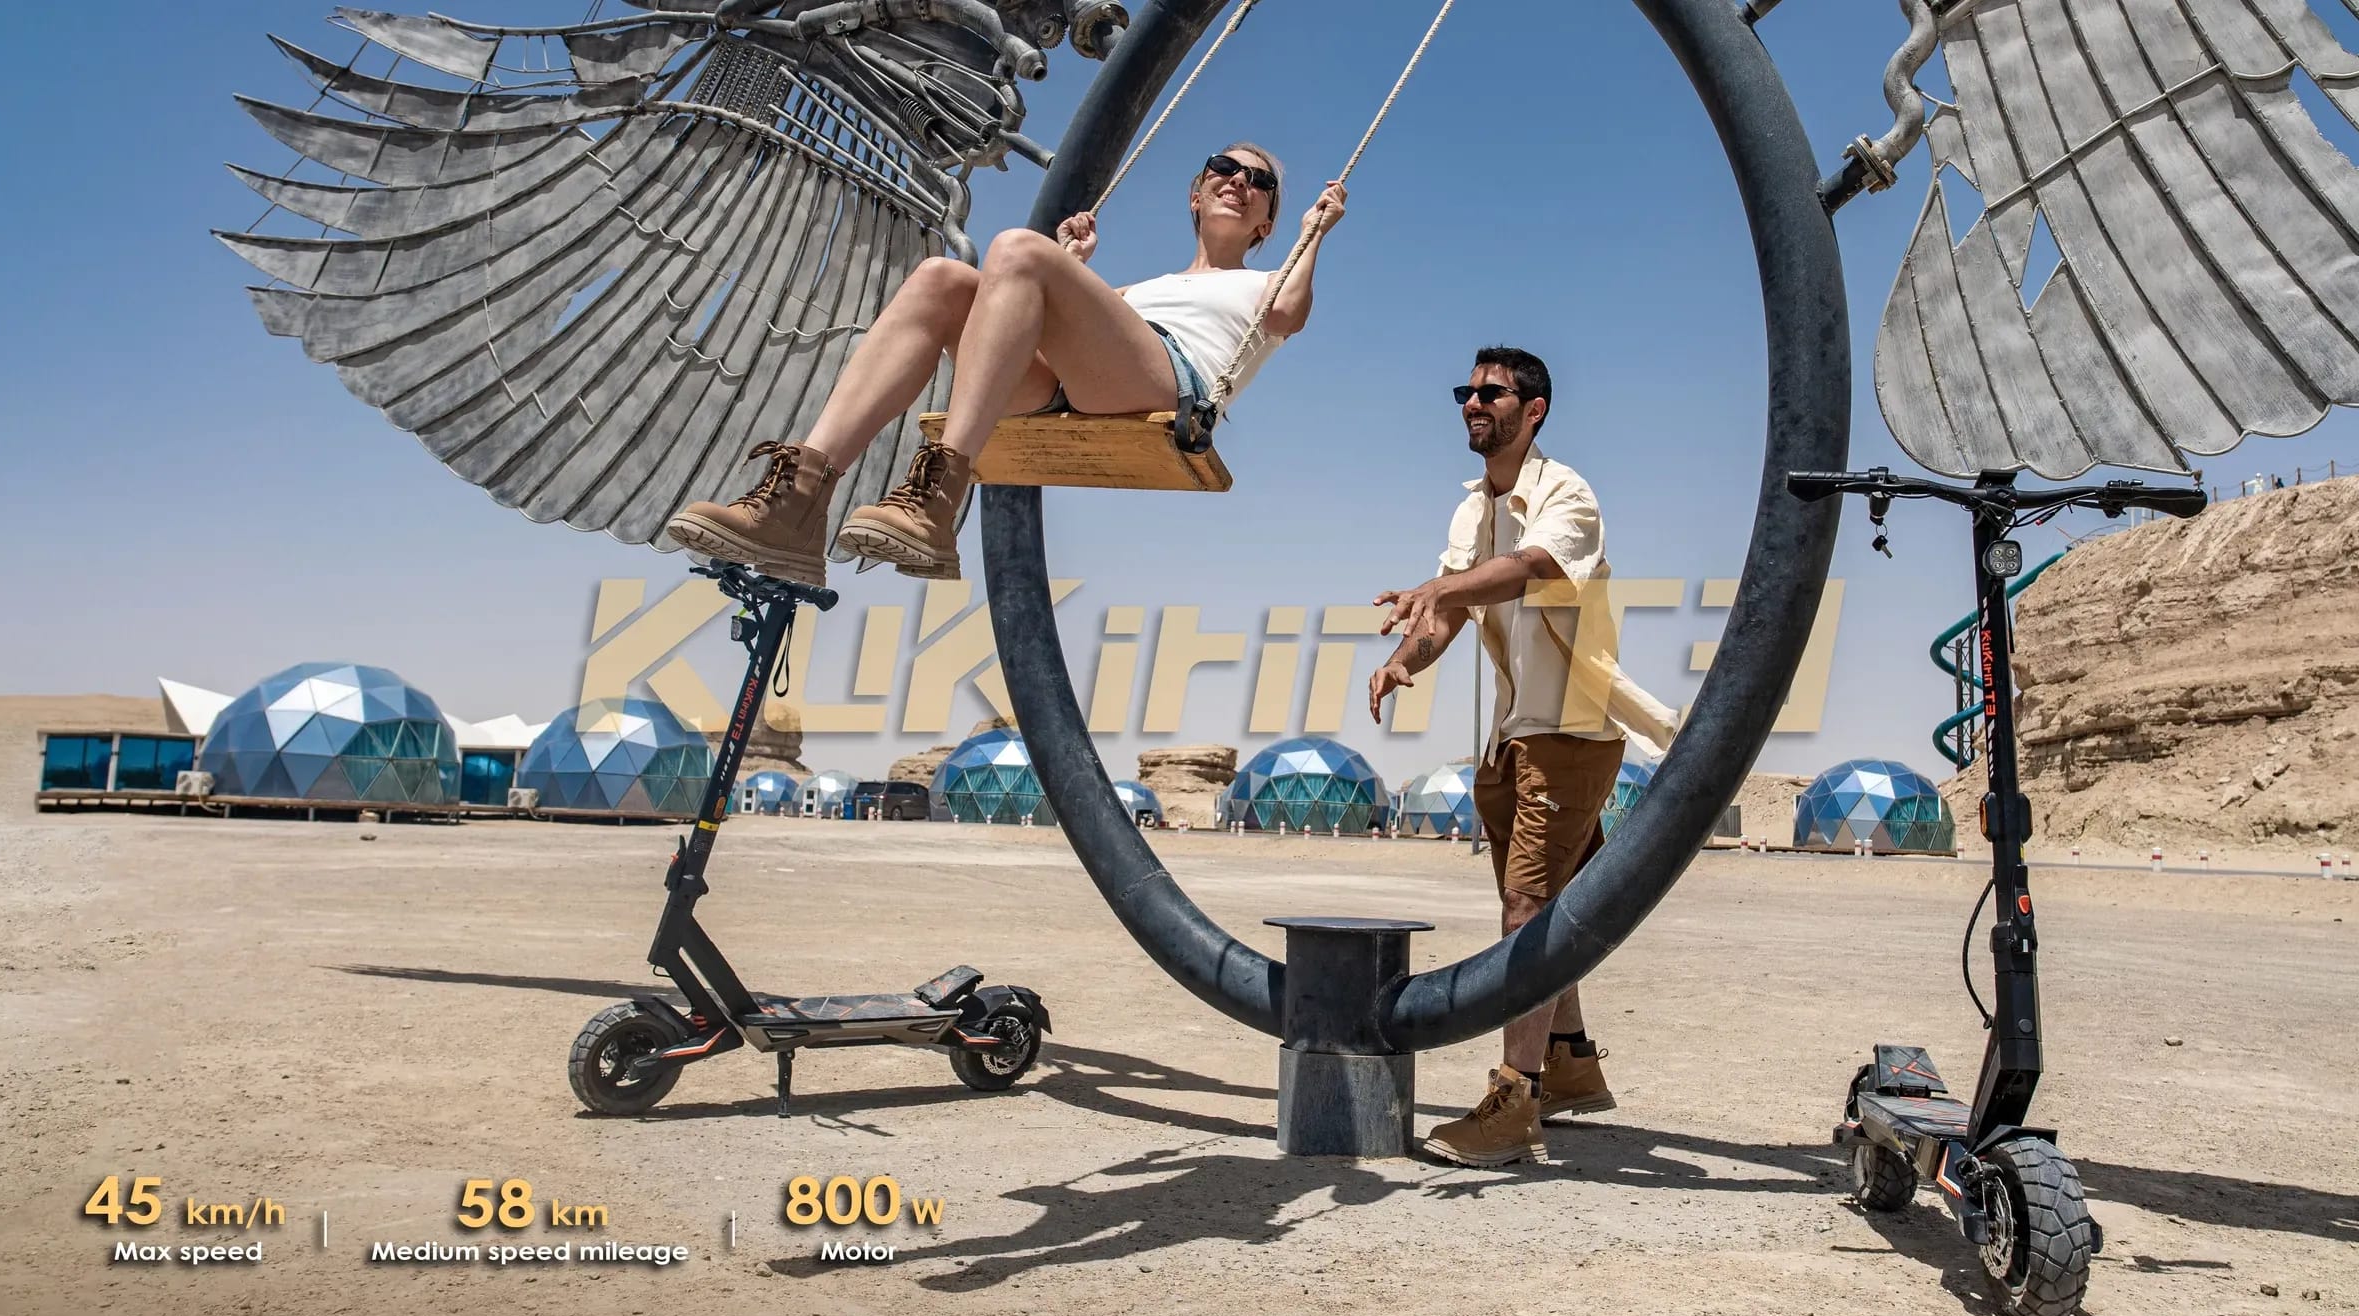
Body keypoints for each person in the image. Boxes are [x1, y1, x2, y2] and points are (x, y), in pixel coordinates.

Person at [666, 145, 1346, 584]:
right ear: (1196, 195)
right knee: (941, 278)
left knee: (1017, 249)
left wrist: (1312, 236)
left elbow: (1286, 316)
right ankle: (799, 498)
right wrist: (1065, 271)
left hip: (1173, 384)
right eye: (1223, 169)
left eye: (1258, 184)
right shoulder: (1138, 291)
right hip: (1087, 379)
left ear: (1265, 225)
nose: (1240, 182)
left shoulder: (1265, 288)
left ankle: (936, 497)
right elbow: (1044, 337)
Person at [1366, 346, 1678, 1168]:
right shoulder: (1472, 508)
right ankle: (1570, 1062)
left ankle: (1514, 1101)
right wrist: (1407, 656)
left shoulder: (1565, 494)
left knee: (1528, 910)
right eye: (1466, 390)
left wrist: (1443, 591)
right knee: (1556, 908)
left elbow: (1531, 569)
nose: (1473, 402)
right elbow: (1448, 611)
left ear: (1532, 409)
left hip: (1569, 731)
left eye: (1491, 392)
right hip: (1513, 735)